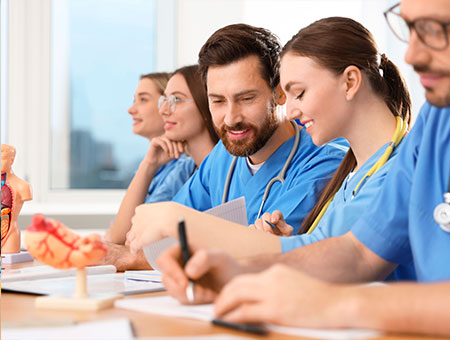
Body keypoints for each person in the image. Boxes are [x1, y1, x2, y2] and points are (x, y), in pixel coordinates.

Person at [157, 0, 450, 336]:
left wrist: (332, 305)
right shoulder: (435, 124)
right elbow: (359, 252)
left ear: (350, 82)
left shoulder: (341, 160)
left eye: (432, 29)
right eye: (410, 28)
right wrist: (237, 270)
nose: (410, 55)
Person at [126, 24, 347, 256]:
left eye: (247, 98)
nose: (231, 118)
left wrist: (175, 222)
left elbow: (260, 250)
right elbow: (160, 239)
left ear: (281, 92)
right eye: (218, 101)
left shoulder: (324, 163)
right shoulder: (223, 156)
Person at [108, 68, 218, 245]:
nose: (164, 110)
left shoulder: (224, 168)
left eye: (176, 100)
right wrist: (148, 165)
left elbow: (129, 239)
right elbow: (127, 235)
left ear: (207, 104)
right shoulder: (188, 170)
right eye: (164, 101)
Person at [1, 144, 33, 254]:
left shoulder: (22, 186)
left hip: (10, 234)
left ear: (11, 160)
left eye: (2, 158)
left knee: (9, 268)